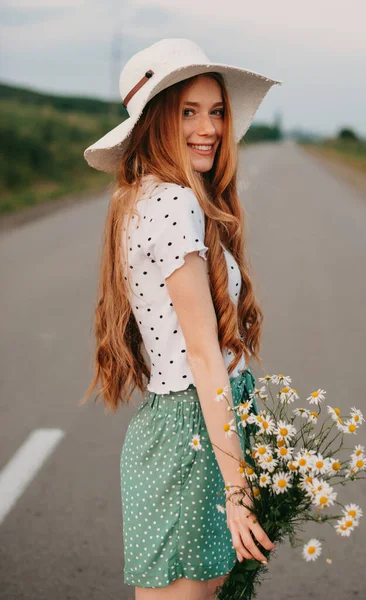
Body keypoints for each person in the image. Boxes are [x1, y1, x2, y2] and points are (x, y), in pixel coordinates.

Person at [81, 38, 281, 600]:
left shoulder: (145, 195)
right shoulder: (172, 202)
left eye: (216, 111)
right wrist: (238, 487)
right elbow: (201, 354)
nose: (210, 128)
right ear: (157, 120)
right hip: (195, 435)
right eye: (188, 111)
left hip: (197, 429)